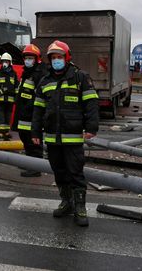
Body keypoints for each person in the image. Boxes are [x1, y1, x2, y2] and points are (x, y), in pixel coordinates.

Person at [31, 40, 99, 227]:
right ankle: (66, 202)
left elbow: (91, 104)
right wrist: (35, 132)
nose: (56, 61)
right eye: (53, 58)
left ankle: (80, 208)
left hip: (73, 137)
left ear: (67, 57)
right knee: (59, 172)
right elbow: (37, 109)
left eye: (59, 57)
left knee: (75, 173)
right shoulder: (45, 81)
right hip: (52, 138)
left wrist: (92, 128)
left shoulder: (80, 78)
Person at [12, 44, 47, 177]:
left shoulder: (39, 73)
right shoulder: (27, 72)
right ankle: (29, 162)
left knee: (34, 141)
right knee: (25, 138)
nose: (28, 60)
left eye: (30, 57)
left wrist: (29, 107)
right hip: (24, 114)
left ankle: (35, 168)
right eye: (26, 57)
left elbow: (40, 95)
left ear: (37, 58)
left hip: (32, 114)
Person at [0, 52, 17, 141]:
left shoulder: (13, 74)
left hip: (10, 100)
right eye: (3, 61)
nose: (5, 63)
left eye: (7, 61)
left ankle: (6, 132)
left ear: (10, 62)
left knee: (8, 116)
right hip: (0, 99)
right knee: (0, 117)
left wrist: (16, 98)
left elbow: (17, 86)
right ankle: (0, 133)